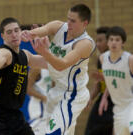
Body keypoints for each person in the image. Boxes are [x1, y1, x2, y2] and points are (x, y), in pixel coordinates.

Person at [21, 3, 96, 135]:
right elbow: (42, 30)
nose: (68, 23)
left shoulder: (85, 44)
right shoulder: (59, 26)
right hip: (56, 91)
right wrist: (28, 34)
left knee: (53, 133)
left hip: (73, 95)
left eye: (73, 21)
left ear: (85, 23)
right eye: (68, 18)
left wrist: (45, 52)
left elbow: (62, 64)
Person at [0, 17, 48, 135]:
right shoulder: (5, 52)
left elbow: (51, 63)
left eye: (16, 30)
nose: (14, 35)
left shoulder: (26, 56)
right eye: (9, 32)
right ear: (2, 36)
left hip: (15, 118)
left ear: (21, 32)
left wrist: (46, 49)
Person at [99, 26, 133, 135]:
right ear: (107, 42)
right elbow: (111, 81)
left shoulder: (129, 59)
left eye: (117, 40)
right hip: (118, 107)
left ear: (123, 43)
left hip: (131, 103)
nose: (114, 43)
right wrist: (104, 97)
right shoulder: (103, 58)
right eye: (111, 39)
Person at [84, 27, 114, 135]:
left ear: (109, 41)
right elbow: (98, 84)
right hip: (103, 98)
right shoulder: (101, 59)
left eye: (100, 40)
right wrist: (90, 97)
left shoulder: (118, 58)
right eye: (96, 41)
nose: (97, 44)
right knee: (90, 130)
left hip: (117, 100)